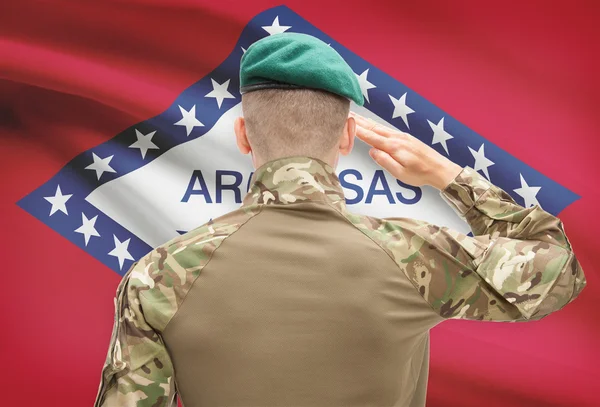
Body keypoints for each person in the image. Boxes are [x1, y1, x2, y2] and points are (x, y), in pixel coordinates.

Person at [94, 32, 587, 407]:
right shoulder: (415, 256)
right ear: (348, 136)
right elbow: (557, 268)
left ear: (243, 135)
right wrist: (450, 176)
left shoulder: (158, 276)